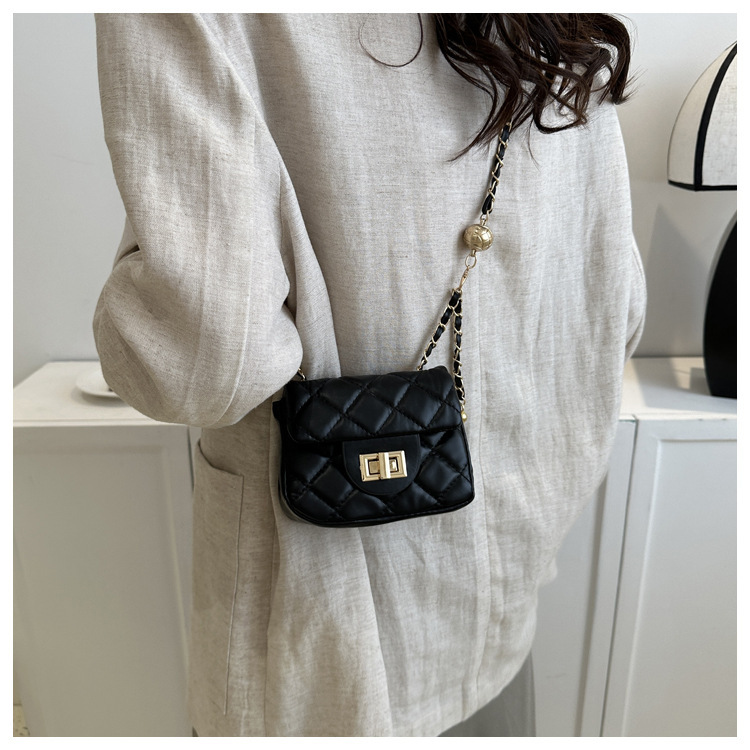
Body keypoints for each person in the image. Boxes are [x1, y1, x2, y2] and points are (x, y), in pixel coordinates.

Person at [93, 13, 646, 737]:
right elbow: (618, 307)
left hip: (330, 642)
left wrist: (126, 305)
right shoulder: (556, 28)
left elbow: (204, 360)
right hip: (504, 601)